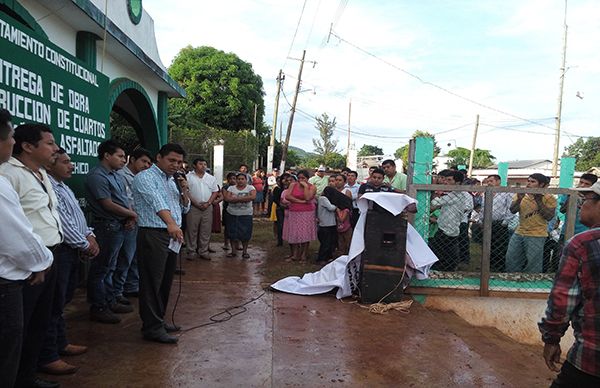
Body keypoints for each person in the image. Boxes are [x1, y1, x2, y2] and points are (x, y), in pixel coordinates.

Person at [0, 122, 63, 388]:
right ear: (27, 146)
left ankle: (27, 376)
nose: (56, 148)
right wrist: (36, 262)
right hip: (27, 263)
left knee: (40, 321)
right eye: (49, 143)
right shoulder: (8, 174)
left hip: (49, 255)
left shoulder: (41, 173)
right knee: (17, 329)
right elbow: (13, 230)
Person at [39, 148, 99, 376]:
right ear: (50, 165)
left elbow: (78, 219)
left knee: (62, 300)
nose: (70, 165)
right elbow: (62, 223)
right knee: (54, 302)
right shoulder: (49, 187)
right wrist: (85, 244)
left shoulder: (63, 187)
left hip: (72, 249)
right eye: (64, 162)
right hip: (61, 249)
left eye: (70, 161)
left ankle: (60, 342)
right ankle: (48, 355)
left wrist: (89, 235)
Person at [538, 181, 600, 387]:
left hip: (591, 359)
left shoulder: (583, 244)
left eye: (586, 199)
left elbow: (563, 301)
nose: (581, 204)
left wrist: (552, 339)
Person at [132, 143, 191, 344]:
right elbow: (157, 202)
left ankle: (158, 320)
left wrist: (184, 190)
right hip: (154, 233)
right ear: (159, 157)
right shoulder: (145, 177)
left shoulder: (172, 181)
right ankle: (151, 327)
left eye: (179, 162)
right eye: (171, 160)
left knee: (165, 281)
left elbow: (184, 207)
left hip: (172, 235)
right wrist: (171, 224)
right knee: (151, 281)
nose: (176, 165)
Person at [85, 140, 137, 323]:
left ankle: (110, 300)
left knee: (112, 266)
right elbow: (107, 204)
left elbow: (124, 199)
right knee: (102, 268)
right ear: (107, 155)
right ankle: (98, 306)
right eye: (120, 156)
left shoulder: (116, 175)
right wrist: (132, 214)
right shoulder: (97, 176)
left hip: (119, 225)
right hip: (107, 226)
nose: (124, 160)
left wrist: (129, 217)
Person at [114, 148, 152, 300]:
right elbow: (126, 200)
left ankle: (132, 285)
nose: (146, 165)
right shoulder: (121, 175)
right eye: (143, 161)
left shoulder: (142, 177)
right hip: (127, 221)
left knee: (135, 256)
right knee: (125, 258)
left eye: (149, 163)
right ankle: (118, 291)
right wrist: (131, 217)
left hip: (139, 221)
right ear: (132, 160)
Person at [506, 173, 556, 273]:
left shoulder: (549, 197)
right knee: (511, 258)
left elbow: (549, 216)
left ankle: (531, 284)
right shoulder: (521, 195)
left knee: (533, 263)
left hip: (537, 234)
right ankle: (512, 279)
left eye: (533, 182)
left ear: (541, 185)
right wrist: (519, 199)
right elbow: (512, 210)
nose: (528, 184)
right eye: (528, 181)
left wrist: (538, 200)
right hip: (519, 231)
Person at [429, 170, 474, 271]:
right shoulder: (454, 194)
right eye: (445, 179)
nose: (446, 182)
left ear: (457, 183)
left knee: (442, 252)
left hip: (448, 230)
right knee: (446, 252)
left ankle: (446, 269)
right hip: (447, 228)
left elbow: (436, 203)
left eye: (449, 180)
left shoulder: (456, 195)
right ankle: (447, 268)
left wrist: (434, 191)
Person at [184, 158, 219, 261]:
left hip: (207, 207)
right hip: (193, 207)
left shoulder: (211, 178)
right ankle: (191, 251)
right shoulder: (188, 177)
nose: (203, 166)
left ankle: (203, 251)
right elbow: (186, 191)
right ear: (194, 165)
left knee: (206, 229)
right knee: (191, 229)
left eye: (205, 164)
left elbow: (215, 192)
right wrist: (195, 203)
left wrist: (208, 203)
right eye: (200, 164)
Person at [284, 169, 317, 262]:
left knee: (305, 232)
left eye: (303, 178)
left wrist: (306, 187)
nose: (301, 180)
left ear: (308, 178)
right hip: (294, 211)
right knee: (294, 232)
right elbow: (288, 196)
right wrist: (300, 201)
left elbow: (308, 197)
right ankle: (295, 254)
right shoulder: (293, 185)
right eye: (299, 178)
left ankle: (304, 254)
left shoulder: (312, 187)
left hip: (307, 212)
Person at [483, 174, 514, 272]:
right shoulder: (487, 193)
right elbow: (483, 207)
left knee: (499, 245)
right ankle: (488, 266)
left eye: (491, 181)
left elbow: (510, 208)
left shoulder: (505, 193)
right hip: (487, 222)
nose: (489, 183)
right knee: (487, 244)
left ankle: (499, 266)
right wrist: (481, 220)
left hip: (500, 223)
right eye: (488, 181)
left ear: (498, 182)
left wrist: (505, 222)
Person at [223, 173, 256, 258]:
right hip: (232, 214)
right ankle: (233, 251)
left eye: (242, 179)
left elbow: (252, 197)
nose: (240, 181)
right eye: (238, 179)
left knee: (246, 233)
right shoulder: (231, 188)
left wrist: (236, 199)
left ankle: (245, 252)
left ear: (246, 180)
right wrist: (244, 198)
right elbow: (227, 198)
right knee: (232, 233)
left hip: (246, 214)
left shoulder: (250, 188)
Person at [316, 186, 339, 264]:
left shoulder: (325, 199)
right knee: (325, 242)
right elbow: (331, 208)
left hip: (330, 223)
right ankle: (321, 258)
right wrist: (337, 206)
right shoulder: (323, 198)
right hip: (325, 224)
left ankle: (328, 257)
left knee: (330, 242)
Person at [273, 173, 292, 247]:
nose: (286, 181)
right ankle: (280, 240)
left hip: (290, 209)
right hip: (280, 209)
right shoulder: (277, 189)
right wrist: (282, 205)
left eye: (288, 179)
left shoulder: (291, 189)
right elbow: (275, 199)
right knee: (280, 225)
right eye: (284, 179)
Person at [221, 172, 237, 251]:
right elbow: (226, 197)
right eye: (230, 179)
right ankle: (226, 243)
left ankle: (238, 243)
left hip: (237, 209)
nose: (232, 180)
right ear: (227, 180)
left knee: (238, 226)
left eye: (234, 178)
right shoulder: (225, 187)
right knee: (227, 227)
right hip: (227, 209)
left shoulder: (239, 187)